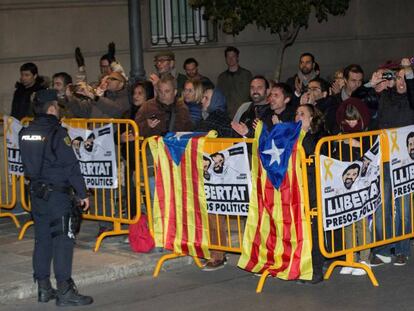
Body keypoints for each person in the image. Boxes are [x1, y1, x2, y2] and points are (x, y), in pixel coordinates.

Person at [18, 89, 93, 306]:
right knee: (63, 240)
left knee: (42, 239)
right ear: (52, 108)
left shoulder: (26, 131)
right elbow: (71, 165)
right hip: (57, 196)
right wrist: (82, 193)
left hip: (37, 193)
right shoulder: (57, 133)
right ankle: (64, 291)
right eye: (57, 106)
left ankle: (43, 287)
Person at [295, 104, 327, 284]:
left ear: (312, 118)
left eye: (302, 114)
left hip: (314, 190)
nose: (298, 117)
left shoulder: (318, 138)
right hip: (298, 190)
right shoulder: (294, 137)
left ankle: (315, 269)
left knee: (314, 230)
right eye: (296, 114)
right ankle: (302, 266)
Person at [217, 46, 252, 119]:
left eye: (233, 56)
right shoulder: (221, 78)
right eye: (228, 57)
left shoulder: (246, 75)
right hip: (226, 116)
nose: (231, 59)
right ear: (225, 59)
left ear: (237, 58)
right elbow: (218, 97)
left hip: (244, 114)